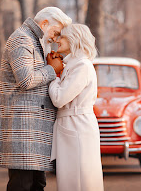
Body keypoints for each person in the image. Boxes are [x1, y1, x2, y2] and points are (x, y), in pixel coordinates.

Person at [0, 7, 72, 191]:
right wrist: (52, 69)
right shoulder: (21, 39)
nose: (56, 38)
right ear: (44, 24)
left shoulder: (36, 41)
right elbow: (25, 80)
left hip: (33, 129)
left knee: (37, 184)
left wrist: (50, 64)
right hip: (23, 127)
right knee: (22, 185)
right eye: (56, 32)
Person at [48, 24, 104, 191]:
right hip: (72, 125)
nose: (57, 40)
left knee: (79, 179)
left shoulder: (82, 66)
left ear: (74, 39)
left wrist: (53, 73)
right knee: (72, 179)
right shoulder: (73, 64)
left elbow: (59, 98)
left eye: (62, 37)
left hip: (77, 126)